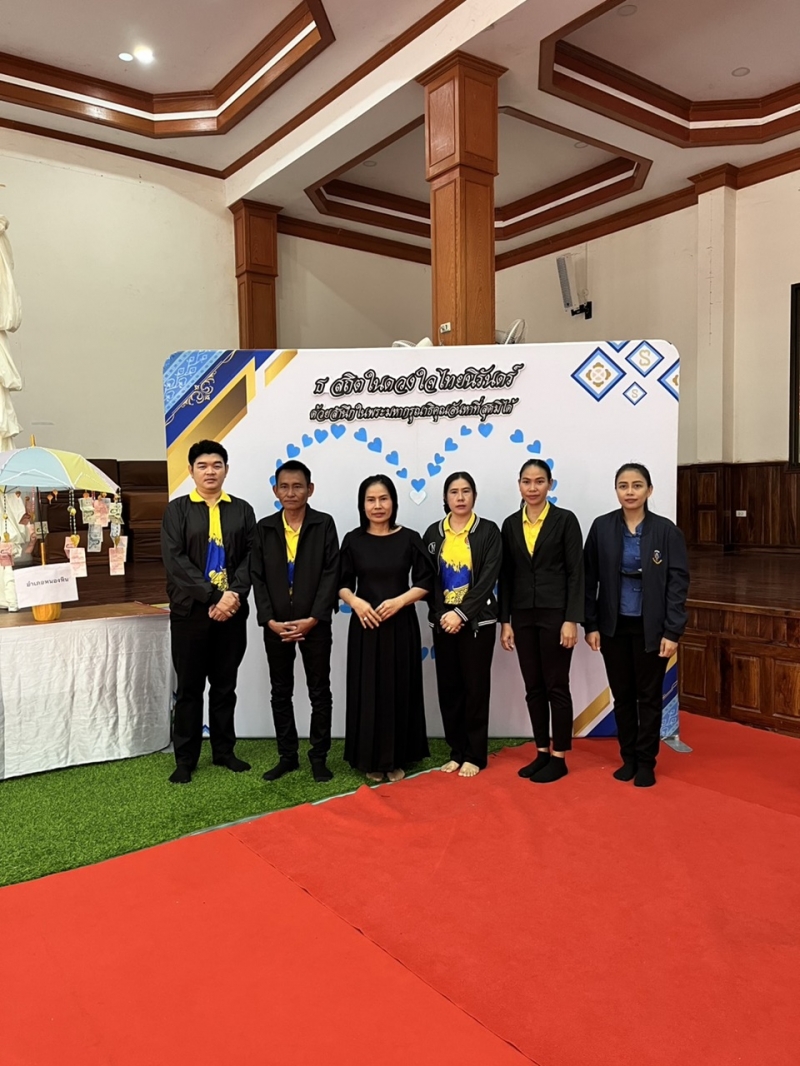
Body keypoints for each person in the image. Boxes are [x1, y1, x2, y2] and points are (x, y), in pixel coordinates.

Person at [584, 462, 689, 788]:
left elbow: (678, 584)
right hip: (614, 627)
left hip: (652, 629)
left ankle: (646, 761)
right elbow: (588, 579)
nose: (630, 492)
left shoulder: (666, 531)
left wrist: (672, 631)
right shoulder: (602, 528)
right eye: (623, 486)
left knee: (649, 697)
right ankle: (628, 757)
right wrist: (591, 624)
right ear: (617, 490)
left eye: (637, 485)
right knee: (623, 696)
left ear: (649, 490)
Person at [161, 439, 256, 785]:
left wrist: (233, 596)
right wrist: (214, 596)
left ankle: (224, 751)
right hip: (191, 612)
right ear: (191, 471)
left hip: (231, 612)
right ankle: (185, 758)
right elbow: (176, 562)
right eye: (202, 466)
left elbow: (252, 557)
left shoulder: (242, 510)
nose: (210, 471)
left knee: (224, 685)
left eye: (217, 465)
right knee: (189, 688)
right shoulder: (177, 510)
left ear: (226, 470)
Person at [339, 474, 435, 783]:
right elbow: (340, 582)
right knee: (367, 690)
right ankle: (369, 757)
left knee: (398, 689)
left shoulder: (410, 538)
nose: (377, 505)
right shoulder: (353, 540)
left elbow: (426, 581)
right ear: (362, 504)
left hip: (401, 626)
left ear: (393, 502)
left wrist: (400, 601)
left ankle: (397, 758)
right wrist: (355, 602)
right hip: (365, 627)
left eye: (383, 499)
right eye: (371, 500)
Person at [250, 460, 340, 784]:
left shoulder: (323, 524)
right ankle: (287, 756)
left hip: (314, 624)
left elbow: (331, 573)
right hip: (276, 626)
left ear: (309, 489)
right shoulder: (264, 528)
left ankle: (319, 757)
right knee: (280, 691)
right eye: (284, 487)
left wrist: (314, 618)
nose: (291, 493)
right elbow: (257, 577)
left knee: (320, 691)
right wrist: (268, 620)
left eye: (297, 486)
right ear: (275, 490)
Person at [499, 459, 584, 783]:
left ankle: (559, 756)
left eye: (539, 481)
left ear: (550, 484)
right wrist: (505, 621)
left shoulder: (565, 520)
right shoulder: (510, 524)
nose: (532, 488)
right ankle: (541, 752)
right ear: (519, 484)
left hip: (555, 614)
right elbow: (506, 576)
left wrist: (571, 619)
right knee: (533, 687)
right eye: (526, 481)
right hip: (522, 615)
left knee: (556, 686)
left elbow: (576, 573)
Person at [424, 472, 501, 778]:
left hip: (477, 622)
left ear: (474, 496)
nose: (460, 497)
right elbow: (428, 581)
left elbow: (487, 580)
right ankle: (456, 751)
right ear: (446, 498)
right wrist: (442, 615)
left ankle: (475, 755)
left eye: (465, 491)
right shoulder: (433, 533)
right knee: (450, 689)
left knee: (475, 689)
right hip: (444, 623)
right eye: (453, 492)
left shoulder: (488, 531)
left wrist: (461, 614)